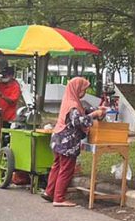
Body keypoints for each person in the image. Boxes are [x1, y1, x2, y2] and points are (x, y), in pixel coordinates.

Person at [43, 77, 105, 207]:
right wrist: (94, 115)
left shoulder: (70, 100)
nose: (84, 91)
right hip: (67, 142)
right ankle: (59, 198)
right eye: (83, 89)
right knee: (66, 169)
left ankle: (50, 192)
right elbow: (78, 121)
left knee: (57, 167)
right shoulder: (73, 105)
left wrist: (97, 110)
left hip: (58, 138)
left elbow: (83, 112)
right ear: (77, 89)